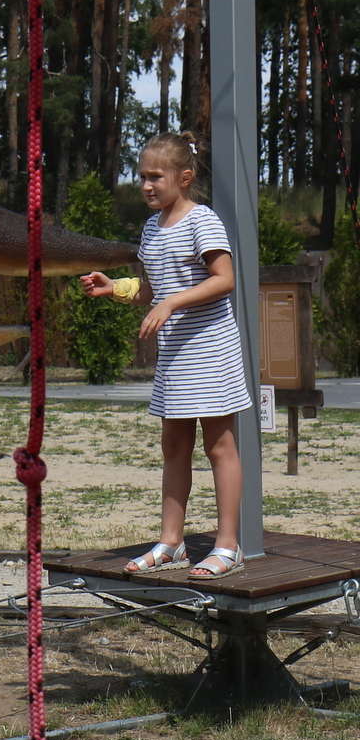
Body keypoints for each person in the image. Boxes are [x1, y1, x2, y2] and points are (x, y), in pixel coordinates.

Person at [80, 131, 250, 579]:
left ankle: (228, 546)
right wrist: (114, 288)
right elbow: (155, 289)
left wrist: (171, 304)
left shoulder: (203, 221)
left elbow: (224, 279)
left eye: (155, 177)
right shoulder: (152, 229)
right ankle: (171, 542)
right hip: (175, 358)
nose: (146, 185)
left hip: (211, 352)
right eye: (141, 177)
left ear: (184, 177)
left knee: (220, 446)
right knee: (174, 445)